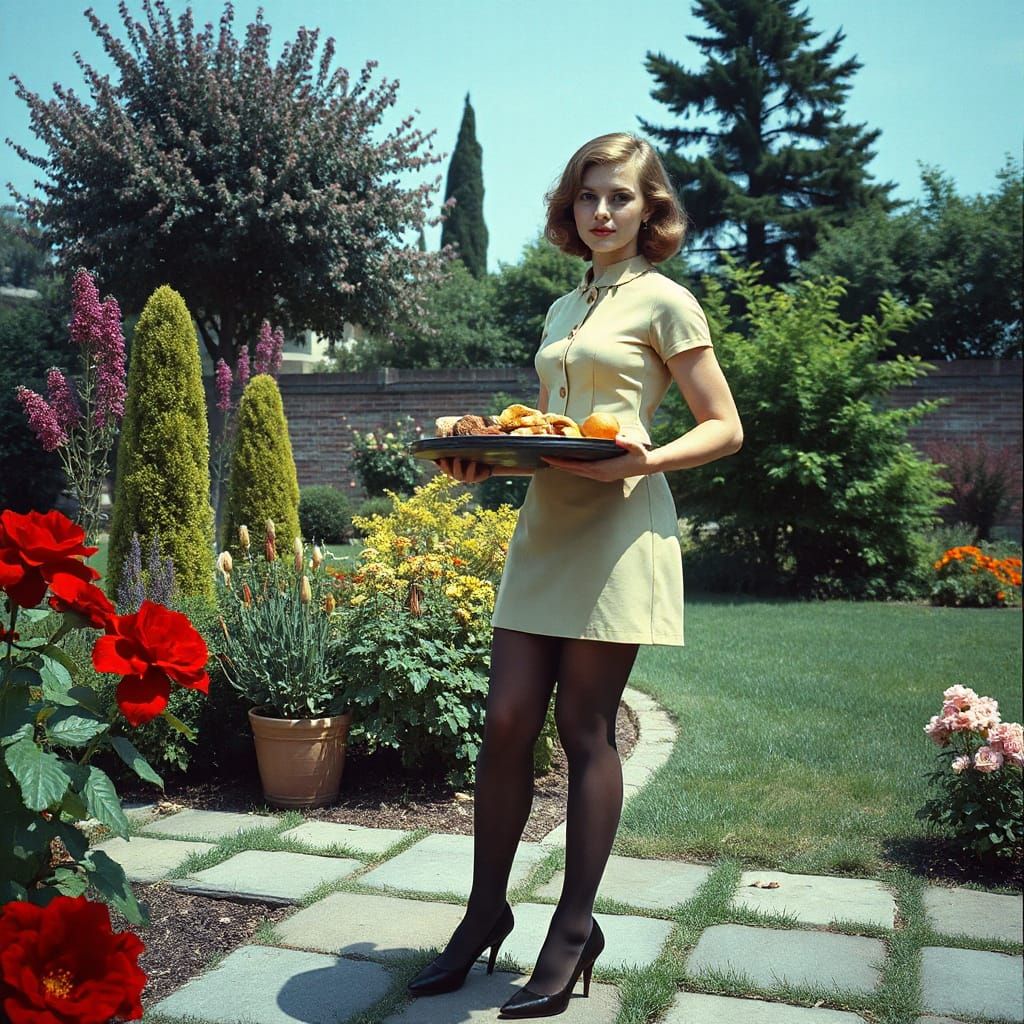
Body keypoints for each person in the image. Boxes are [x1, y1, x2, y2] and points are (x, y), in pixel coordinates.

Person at [406, 131, 743, 1019]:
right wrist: (486, 460)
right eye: (588, 196)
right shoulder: (562, 306)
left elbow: (725, 427)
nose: (601, 211)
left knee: (584, 728)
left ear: (650, 208)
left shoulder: (667, 301)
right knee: (505, 720)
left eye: (619, 197)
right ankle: (484, 913)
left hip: (618, 529)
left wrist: (645, 459)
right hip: (546, 527)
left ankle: (573, 928)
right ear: (570, 206)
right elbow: (551, 437)